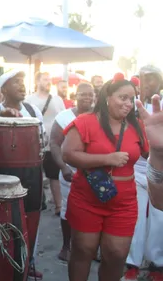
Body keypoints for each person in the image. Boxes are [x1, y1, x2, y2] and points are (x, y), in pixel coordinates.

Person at [63, 73, 149, 281]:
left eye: (131, 99)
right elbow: (69, 154)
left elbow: (150, 155)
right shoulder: (85, 122)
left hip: (124, 202)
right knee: (83, 250)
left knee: (117, 255)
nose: (128, 104)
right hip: (87, 198)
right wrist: (107, 159)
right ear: (107, 97)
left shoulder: (137, 125)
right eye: (123, 97)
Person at [0, 69, 44, 279]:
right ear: (4, 88)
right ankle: (5, 266)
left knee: (32, 216)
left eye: (23, 81)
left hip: (32, 174)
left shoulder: (33, 110)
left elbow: (43, 139)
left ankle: (28, 263)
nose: (22, 86)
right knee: (5, 221)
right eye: (16, 82)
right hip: (3, 173)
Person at [123, 65, 163, 281]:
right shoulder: (129, 104)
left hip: (160, 167)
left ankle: (157, 264)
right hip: (135, 167)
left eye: (153, 79)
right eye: (144, 79)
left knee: (160, 217)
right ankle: (132, 264)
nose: (148, 83)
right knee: (135, 218)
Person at [49, 83, 94, 262]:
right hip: (70, 173)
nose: (87, 98)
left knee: (93, 210)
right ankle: (67, 246)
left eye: (90, 95)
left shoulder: (98, 116)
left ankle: (90, 247)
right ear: (76, 95)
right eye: (83, 94)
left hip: (94, 173)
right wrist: (63, 167)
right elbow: (54, 143)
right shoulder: (64, 116)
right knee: (68, 209)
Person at [26, 71, 65, 216]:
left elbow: (63, 118)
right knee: (36, 174)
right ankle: (36, 201)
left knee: (54, 174)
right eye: (44, 79)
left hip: (54, 143)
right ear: (37, 81)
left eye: (49, 79)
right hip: (34, 143)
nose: (48, 82)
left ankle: (59, 205)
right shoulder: (29, 99)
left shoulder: (57, 99)